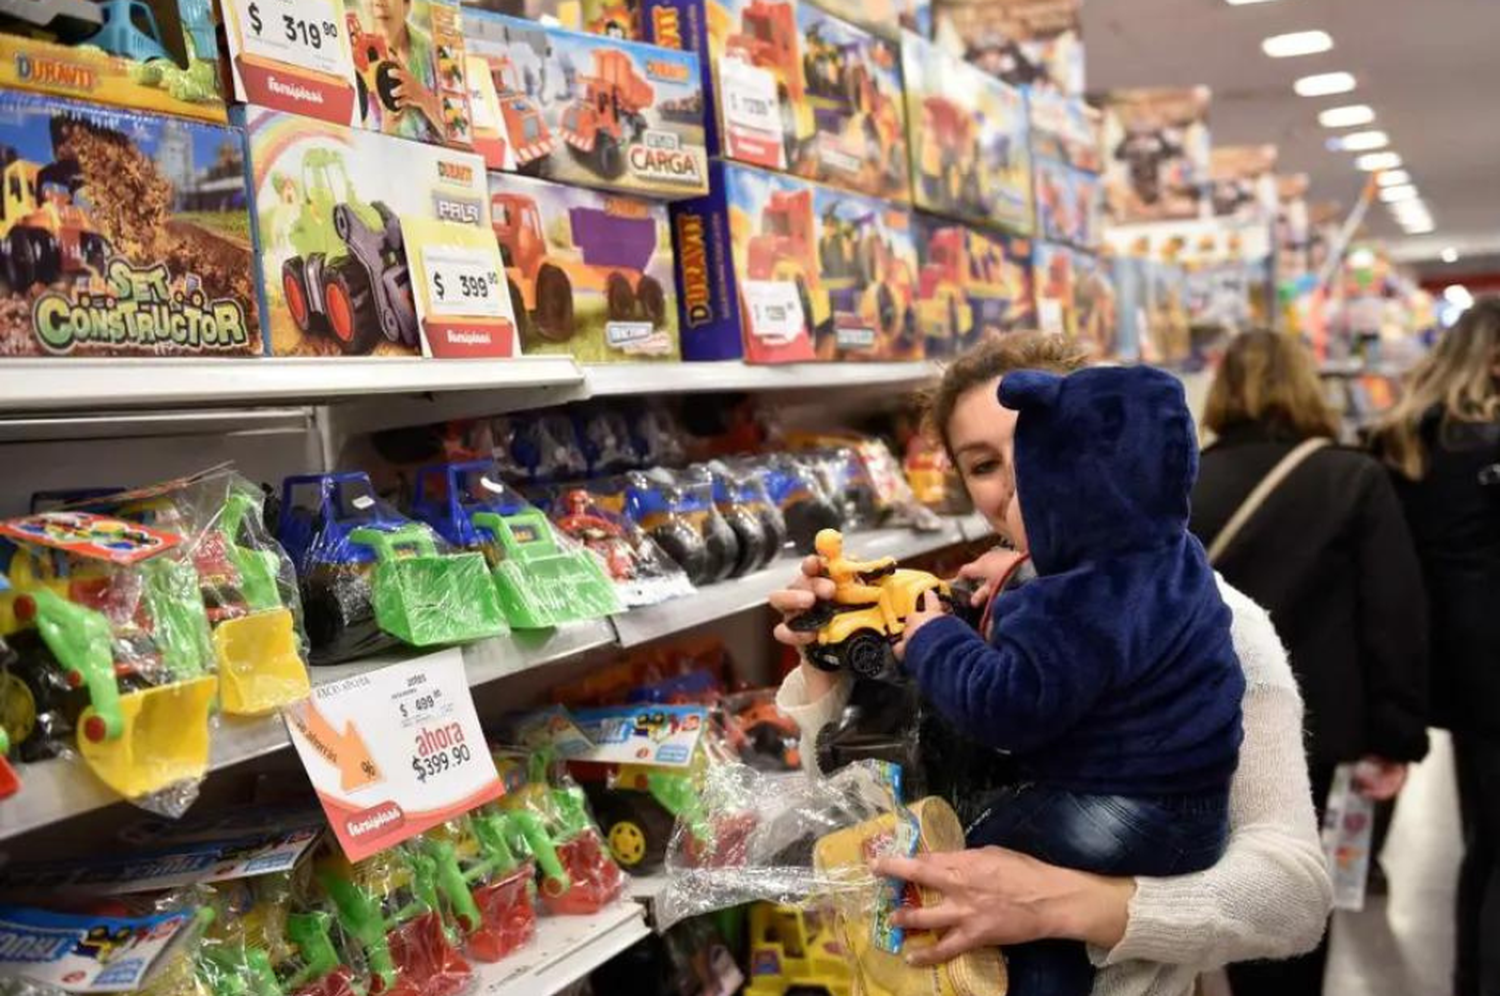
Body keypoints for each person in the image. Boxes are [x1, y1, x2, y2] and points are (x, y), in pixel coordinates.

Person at [774, 333, 1332, 996]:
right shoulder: (960, 604)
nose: (1017, 482)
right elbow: (862, 817)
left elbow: (1293, 895)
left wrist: (1064, 903)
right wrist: (827, 670)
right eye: (982, 465)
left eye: (1032, 448)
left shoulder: (1216, 619)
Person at [1188, 329, 1429, 995]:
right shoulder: (1353, 476)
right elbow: (1393, 615)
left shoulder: (1188, 480)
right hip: (1318, 729)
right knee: (1296, 902)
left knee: (1233, 892)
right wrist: (1397, 737)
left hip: (1208, 722)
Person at [1373, 298, 1500, 996]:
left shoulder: (1404, 439)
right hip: (1492, 660)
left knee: (1485, 838)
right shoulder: (1486, 445)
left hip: (1446, 660)